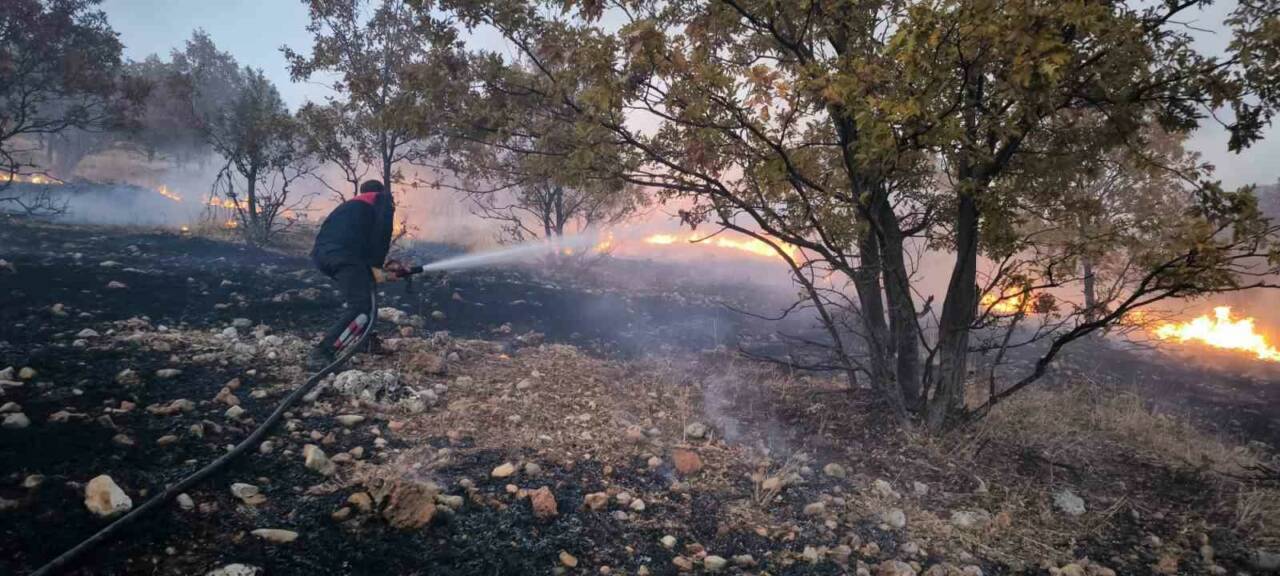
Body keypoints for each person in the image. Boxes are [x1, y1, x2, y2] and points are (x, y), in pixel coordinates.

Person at [307, 179, 406, 370]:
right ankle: (322, 352)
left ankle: (366, 341)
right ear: (381, 191)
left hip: (323, 256)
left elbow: (353, 235)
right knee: (361, 305)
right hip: (344, 255)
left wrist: (373, 271)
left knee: (365, 291)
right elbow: (381, 237)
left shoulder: (350, 205)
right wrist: (377, 269)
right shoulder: (382, 201)